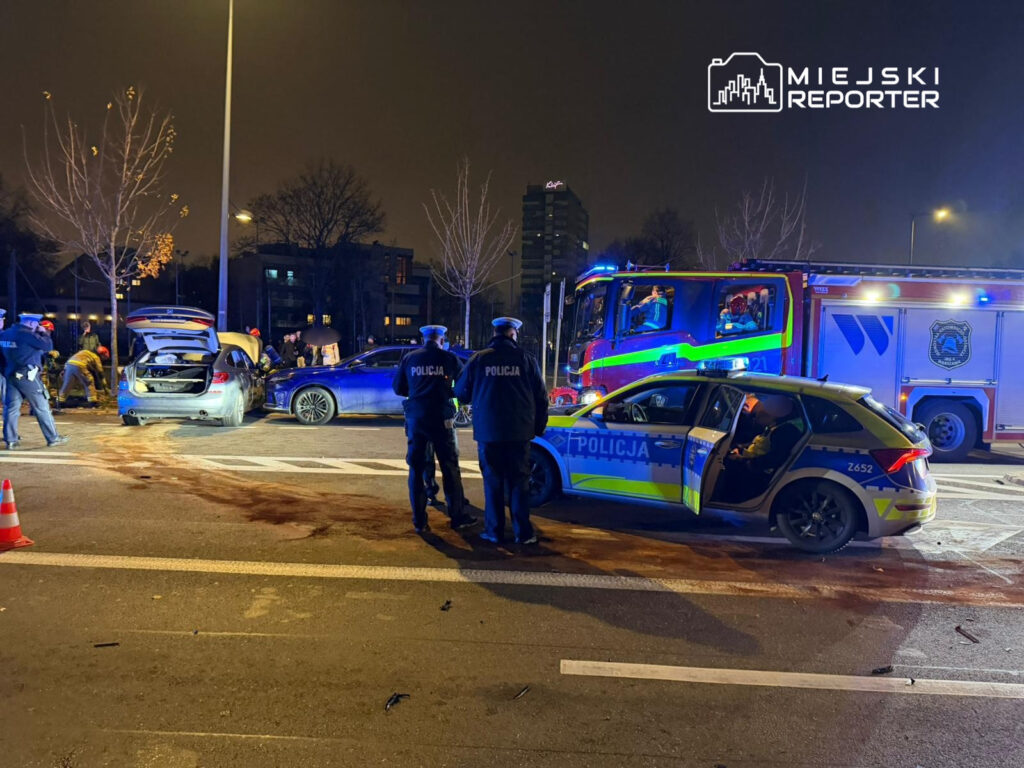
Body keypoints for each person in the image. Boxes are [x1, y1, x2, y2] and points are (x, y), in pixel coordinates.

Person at [455, 317, 547, 546]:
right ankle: (523, 533)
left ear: (495, 333)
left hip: (489, 433)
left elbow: (461, 393)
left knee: (493, 482)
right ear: (513, 334)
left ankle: (494, 531)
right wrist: (537, 427)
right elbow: (541, 397)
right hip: (519, 432)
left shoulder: (478, 359)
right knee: (519, 482)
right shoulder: (526, 359)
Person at [392, 324, 475, 533]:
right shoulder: (449, 358)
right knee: (450, 467)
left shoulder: (410, 358)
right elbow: (463, 387)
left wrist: (418, 389)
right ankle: (457, 517)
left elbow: (398, 388)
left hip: (416, 419)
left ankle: (419, 521)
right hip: (441, 418)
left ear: (424, 340)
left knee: (416, 468)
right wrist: (449, 392)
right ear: (442, 340)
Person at [1, 312, 69, 450]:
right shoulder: (28, 334)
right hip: (28, 375)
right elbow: (48, 346)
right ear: (31, 323)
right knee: (42, 407)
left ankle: (11, 440)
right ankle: (53, 438)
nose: (38, 326)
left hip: (11, 374)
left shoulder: (6, 334)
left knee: (11, 408)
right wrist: (44, 333)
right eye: (37, 324)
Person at [720, 394, 804, 500]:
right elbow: (760, 443)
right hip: (754, 463)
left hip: (759, 473)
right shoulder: (778, 426)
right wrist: (740, 448)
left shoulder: (784, 431)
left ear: (772, 414)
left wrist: (744, 461)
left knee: (727, 466)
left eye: (759, 416)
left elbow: (774, 458)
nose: (756, 419)